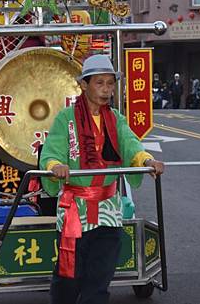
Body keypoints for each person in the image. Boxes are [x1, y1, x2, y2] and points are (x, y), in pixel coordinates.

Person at [40, 54, 165, 304]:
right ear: (84, 85)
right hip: (76, 208)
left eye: (110, 83)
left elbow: (131, 145)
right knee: (68, 278)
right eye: (100, 83)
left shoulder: (115, 118)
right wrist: (56, 166)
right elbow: (51, 152)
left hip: (108, 210)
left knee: (100, 280)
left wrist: (147, 161)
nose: (106, 90)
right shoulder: (66, 118)